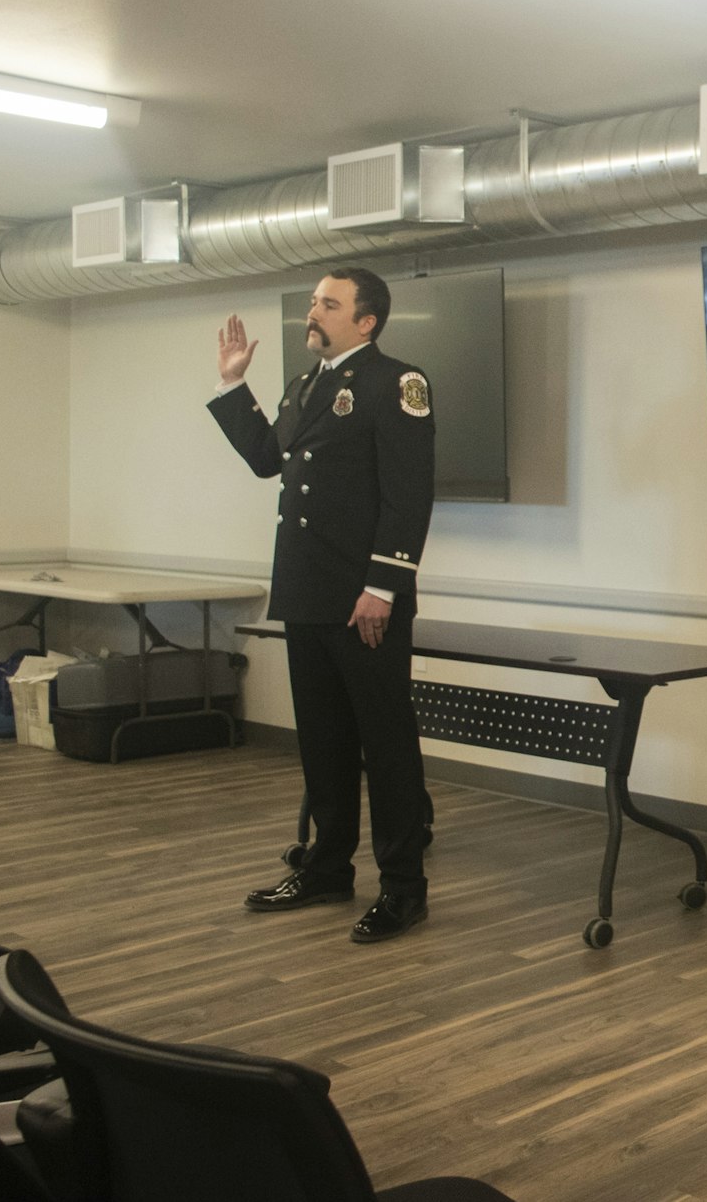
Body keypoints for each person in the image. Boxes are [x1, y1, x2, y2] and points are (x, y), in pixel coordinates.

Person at [208, 267, 437, 944]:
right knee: (324, 741)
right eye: (313, 303)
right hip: (307, 591)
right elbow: (267, 461)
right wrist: (231, 384)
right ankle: (328, 867)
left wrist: (383, 586)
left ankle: (403, 889)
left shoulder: (398, 383)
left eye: (328, 305)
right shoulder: (307, 384)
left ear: (366, 321)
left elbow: (408, 493)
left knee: (385, 744)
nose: (314, 313)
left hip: (364, 596)